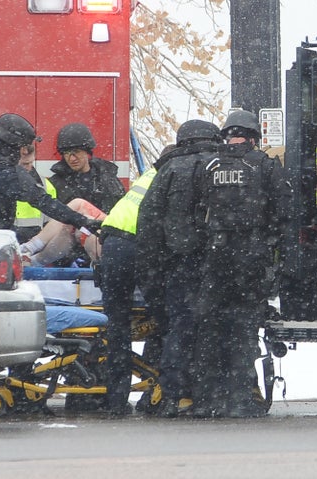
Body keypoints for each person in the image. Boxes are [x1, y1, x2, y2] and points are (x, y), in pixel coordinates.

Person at [191, 110, 291, 418]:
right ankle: (240, 399)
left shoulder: (207, 166)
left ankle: (207, 400)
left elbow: (196, 211)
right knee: (243, 330)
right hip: (249, 257)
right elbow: (284, 211)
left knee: (210, 330)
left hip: (214, 257)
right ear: (253, 138)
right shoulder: (264, 165)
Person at [137, 120, 223, 418]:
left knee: (180, 328)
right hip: (221, 264)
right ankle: (212, 394)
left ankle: (175, 394)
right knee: (214, 329)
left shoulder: (170, 171)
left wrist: (152, 271)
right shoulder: (222, 165)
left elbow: (148, 221)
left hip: (180, 264)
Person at [99, 145, 175, 416]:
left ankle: (115, 400)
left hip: (112, 244)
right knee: (166, 319)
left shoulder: (147, 177)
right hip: (138, 246)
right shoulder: (171, 178)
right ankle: (160, 390)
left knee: (117, 325)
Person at [0, 113, 101, 234]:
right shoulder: (3, 170)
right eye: (23, 147)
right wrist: (82, 221)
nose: (23, 152)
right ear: (13, 145)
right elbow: (43, 201)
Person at [49, 122, 125, 214]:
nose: (72, 158)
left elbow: (123, 212)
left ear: (87, 151)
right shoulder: (56, 184)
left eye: (76, 152)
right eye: (66, 153)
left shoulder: (108, 178)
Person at [13, 144, 57, 243]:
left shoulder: (46, 186)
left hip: (32, 246)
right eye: (24, 164)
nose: (28, 168)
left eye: (30, 163)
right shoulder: (1, 183)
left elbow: (51, 226)